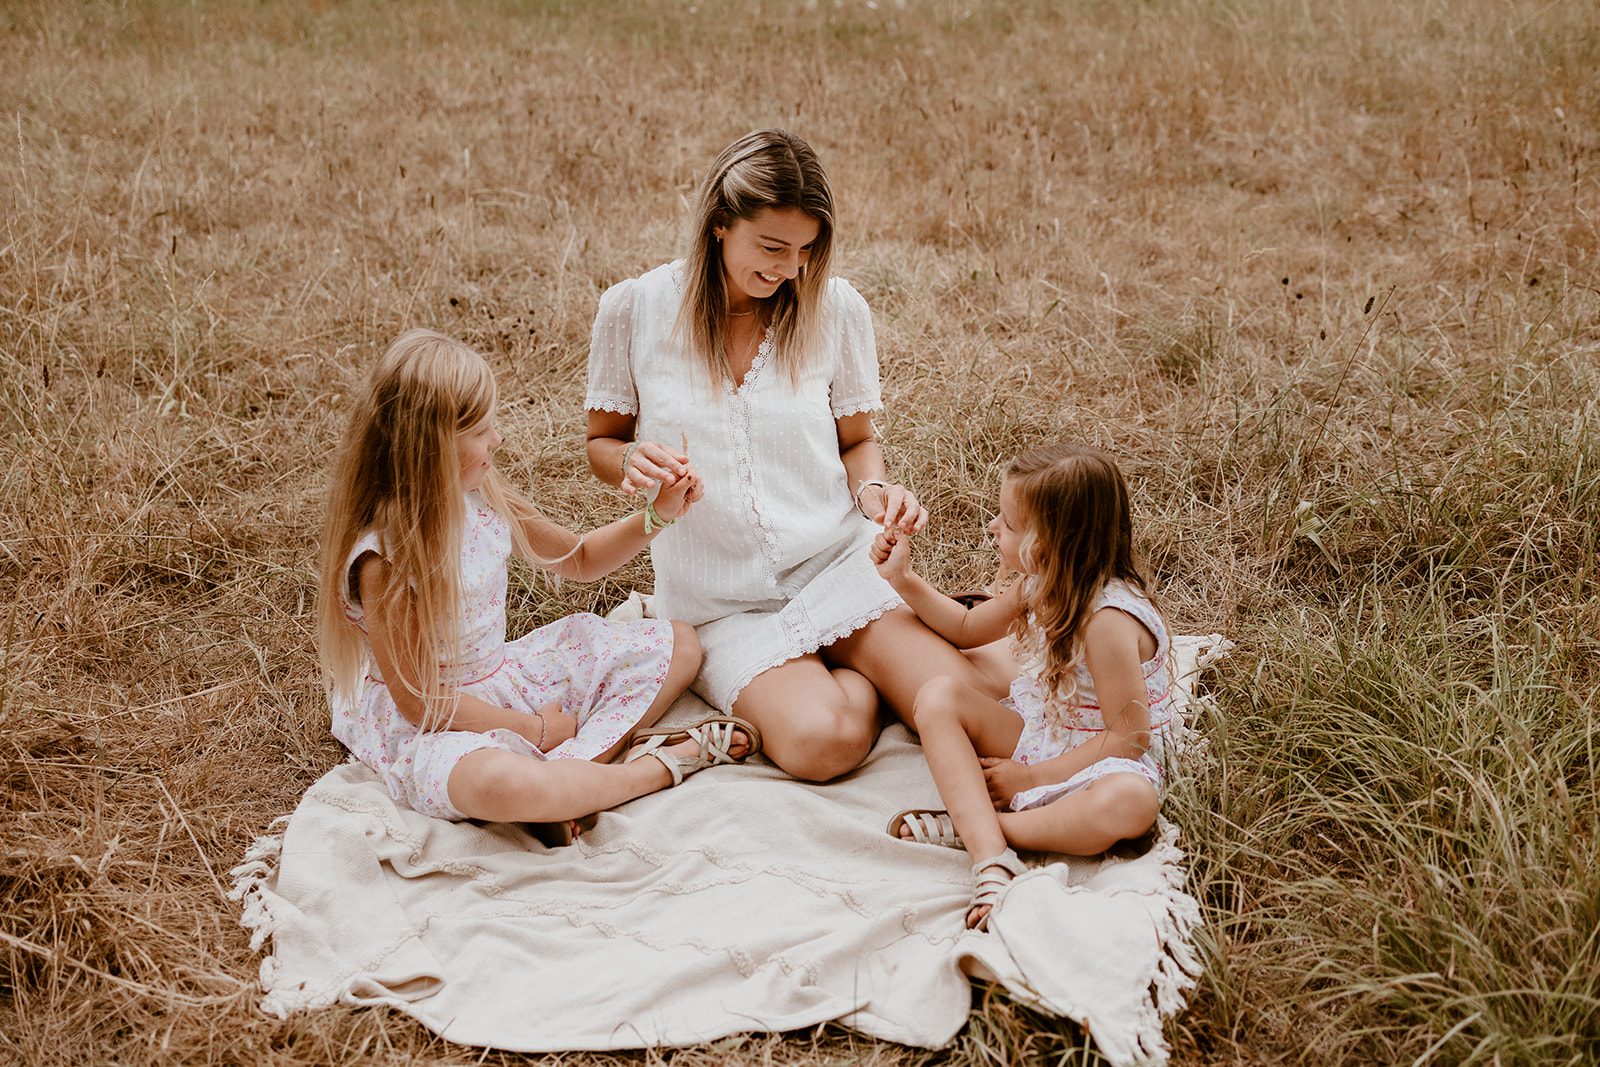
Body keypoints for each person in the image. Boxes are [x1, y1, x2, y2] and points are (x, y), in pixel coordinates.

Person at [584, 128, 1006, 782]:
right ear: (721, 224)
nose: (790, 269)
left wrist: (876, 498)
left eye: (807, 250)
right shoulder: (635, 309)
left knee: (991, 715)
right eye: (773, 247)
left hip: (836, 565)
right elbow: (601, 442)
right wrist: (632, 460)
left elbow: (858, 441)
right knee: (823, 744)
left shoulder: (835, 309)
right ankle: (857, 676)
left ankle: (870, 651)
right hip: (721, 602)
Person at [317, 328, 758, 843]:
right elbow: (421, 703)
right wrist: (536, 730)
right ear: (433, 446)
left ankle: (559, 790)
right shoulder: (386, 559)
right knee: (496, 781)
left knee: (679, 644)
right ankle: (653, 768)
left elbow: (581, 558)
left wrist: (658, 514)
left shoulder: (480, 494)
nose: (497, 440)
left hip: (501, 676)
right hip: (442, 721)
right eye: (482, 430)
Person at [872, 441, 1175, 930]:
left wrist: (1033, 778)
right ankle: (991, 858)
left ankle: (983, 828)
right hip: (1048, 732)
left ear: (1051, 542)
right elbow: (967, 629)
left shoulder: (1109, 622)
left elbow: (1129, 738)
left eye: (1008, 524)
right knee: (937, 696)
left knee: (1132, 805)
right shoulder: (1039, 583)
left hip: (1104, 758)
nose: (993, 527)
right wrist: (903, 579)